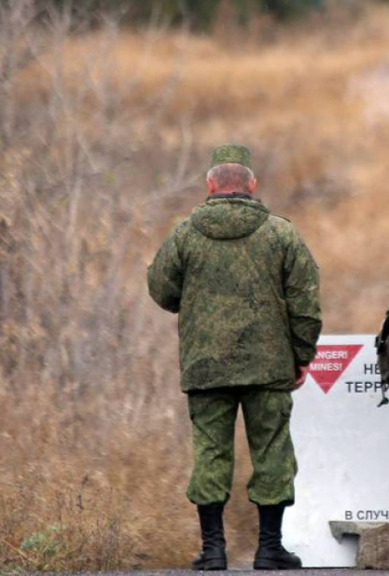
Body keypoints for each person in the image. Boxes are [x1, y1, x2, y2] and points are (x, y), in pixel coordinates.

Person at [147, 144, 322, 571]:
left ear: (210, 185)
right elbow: (306, 302)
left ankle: (212, 551)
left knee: (210, 453)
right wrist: (302, 354)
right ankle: (269, 548)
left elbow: (161, 290)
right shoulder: (281, 234)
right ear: (251, 185)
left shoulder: (185, 234)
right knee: (273, 452)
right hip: (269, 366)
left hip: (206, 366)